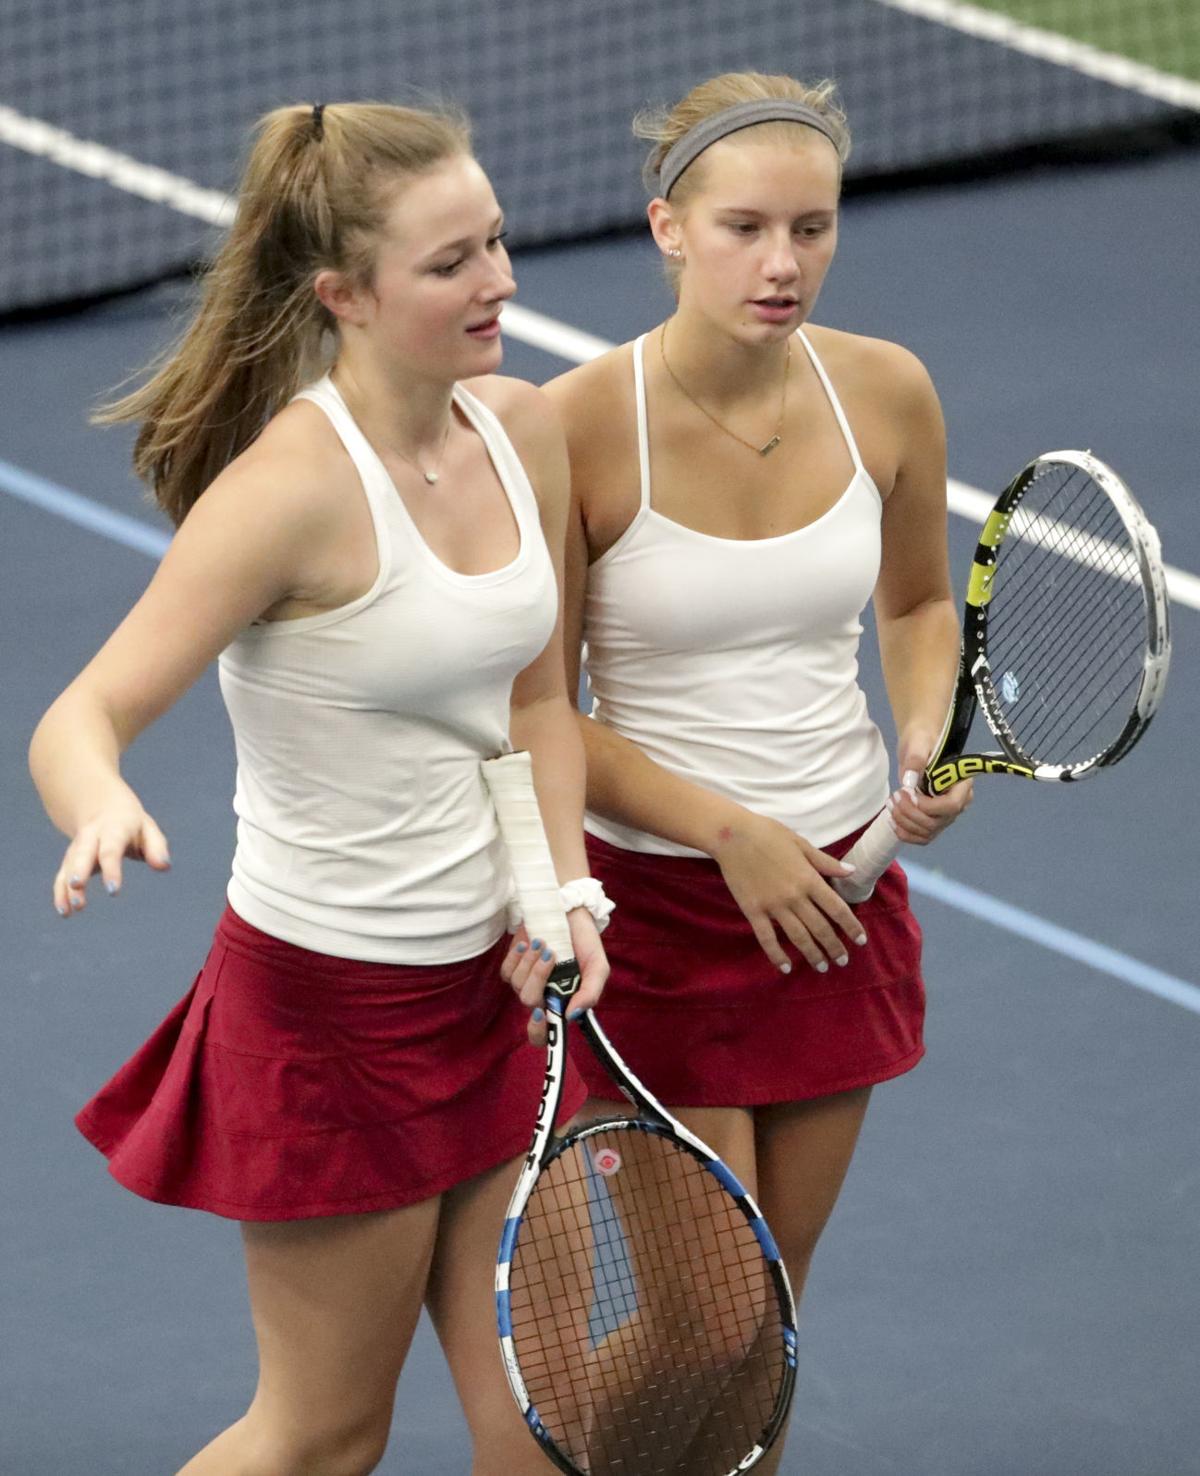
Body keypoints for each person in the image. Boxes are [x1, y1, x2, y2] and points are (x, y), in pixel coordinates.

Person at [28, 100, 608, 1476]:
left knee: (551, 1428)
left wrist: (560, 890)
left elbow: (535, 701)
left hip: (509, 991)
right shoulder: (285, 492)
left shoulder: (525, 430)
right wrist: (98, 797)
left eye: (498, 243)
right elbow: (82, 713)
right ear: (344, 295)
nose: (501, 282)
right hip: (331, 1017)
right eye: (452, 262)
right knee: (322, 1437)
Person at [545, 70, 972, 1472]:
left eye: (812, 227)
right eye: (743, 227)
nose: (782, 262)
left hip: (838, 898)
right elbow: (538, 708)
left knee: (767, 1320)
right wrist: (728, 829)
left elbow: (914, 611)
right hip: (657, 912)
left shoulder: (888, 389)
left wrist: (928, 728)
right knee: (699, 1321)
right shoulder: (576, 428)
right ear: (667, 226)